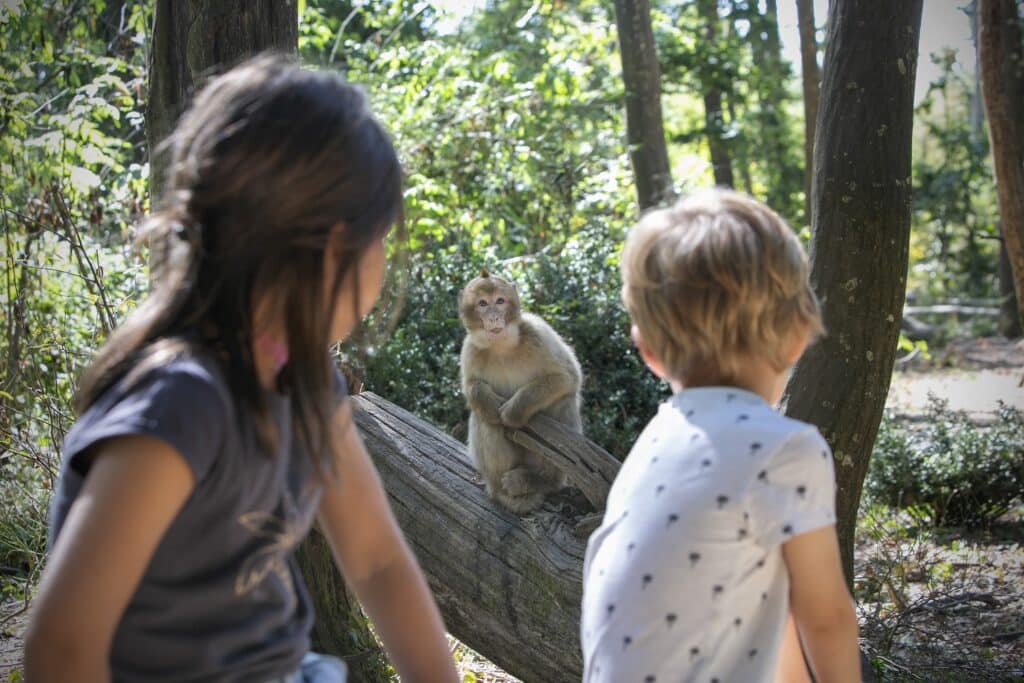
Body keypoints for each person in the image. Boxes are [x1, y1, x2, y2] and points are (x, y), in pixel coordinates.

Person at [24, 54, 459, 683]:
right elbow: (62, 648)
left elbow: (377, 562)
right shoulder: (181, 404)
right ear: (331, 246)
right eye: (381, 240)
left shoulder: (306, 384)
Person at [580, 188, 861, 682]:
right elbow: (826, 617)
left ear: (648, 351)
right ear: (798, 334)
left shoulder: (658, 444)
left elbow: (778, 616)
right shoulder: (786, 450)